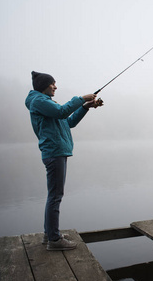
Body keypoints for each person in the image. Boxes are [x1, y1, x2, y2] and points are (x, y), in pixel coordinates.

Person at [25, 71, 100, 251]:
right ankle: (54, 240)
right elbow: (62, 112)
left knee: (54, 196)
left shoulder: (45, 103)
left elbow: (68, 122)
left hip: (57, 152)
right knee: (55, 196)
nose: (55, 87)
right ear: (44, 85)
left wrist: (85, 107)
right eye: (53, 84)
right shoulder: (39, 102)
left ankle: (50, 234)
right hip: (54, 153)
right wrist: (81, 98)